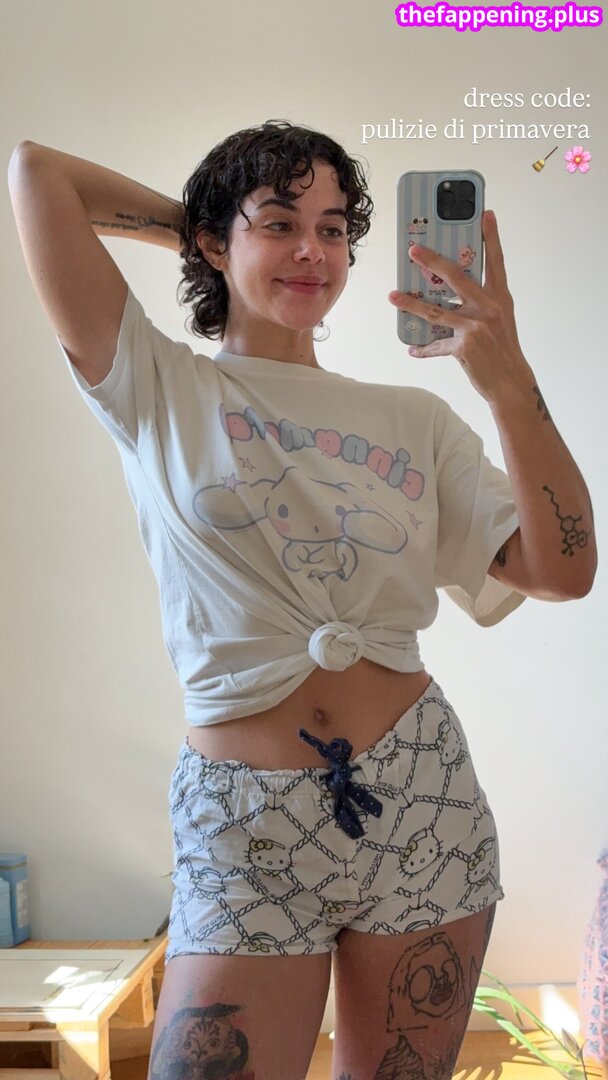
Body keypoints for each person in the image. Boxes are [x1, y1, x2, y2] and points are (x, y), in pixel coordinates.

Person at [8, 120, 596, 1080]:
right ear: (215, 239)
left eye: (332, 230)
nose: (313, 250)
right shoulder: (158, 385)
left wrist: (508, 380)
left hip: (422, 800)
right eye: (281, 221)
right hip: (242, 823)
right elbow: (37, 174)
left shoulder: (415, 420)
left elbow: (562, 569)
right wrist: (205, 226)